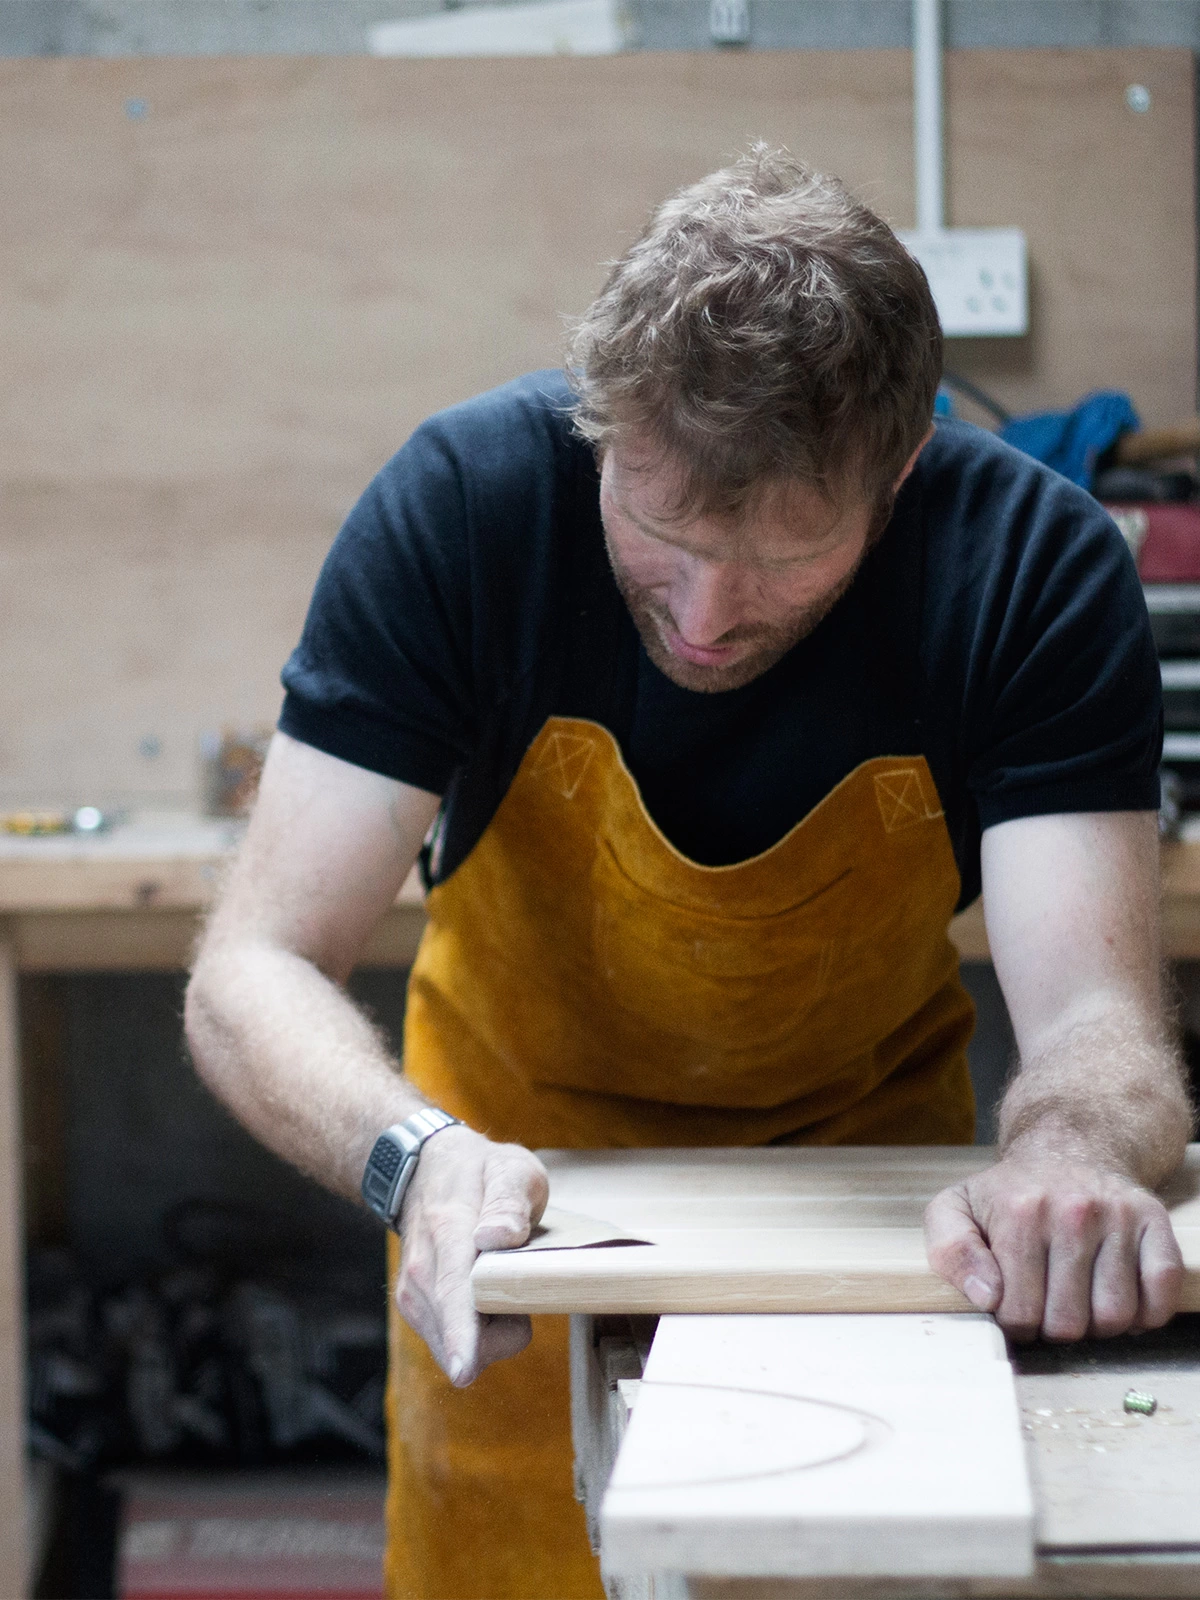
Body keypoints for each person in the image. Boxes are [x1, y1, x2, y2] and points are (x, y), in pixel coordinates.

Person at [184, 148, 1194, 1600]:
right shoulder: (467, 509)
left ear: (900, 471)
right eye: (659, 537)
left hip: (877, 1244)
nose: (711, 618)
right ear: (605, 430)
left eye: (787, 558)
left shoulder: (1029, 568)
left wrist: (1074, 1154)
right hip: (513, 1229)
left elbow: (1102, 1019)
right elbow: (251, 966)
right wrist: (413, 1158)